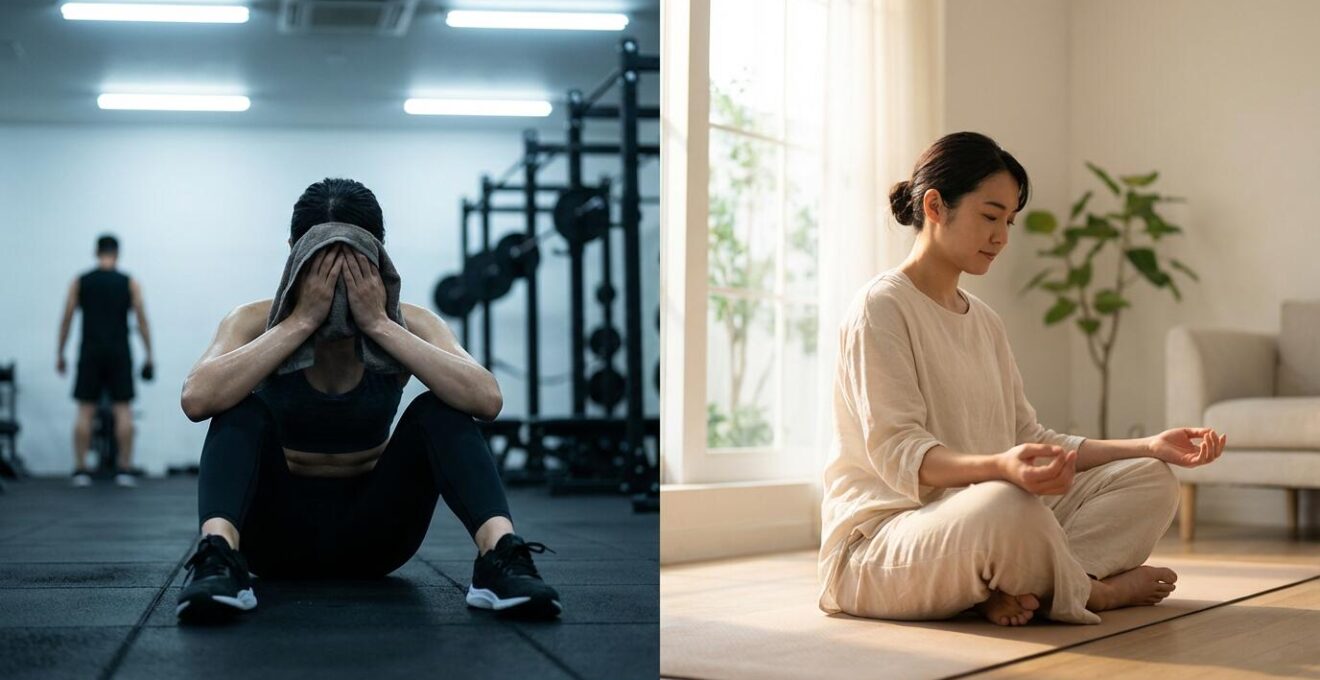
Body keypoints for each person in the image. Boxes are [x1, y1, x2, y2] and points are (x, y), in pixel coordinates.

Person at [818, 132, 1227, 627]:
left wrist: (1148, 446)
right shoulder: (880, 308)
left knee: (1152, 480)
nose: (1002, 237)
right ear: (934, 206)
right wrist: (1001, 469)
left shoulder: (985, 321)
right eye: (990, 216)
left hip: (979, 522)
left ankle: (1015, 587)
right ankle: (1091, 593)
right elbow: (901, 453)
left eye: (1009, 222)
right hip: (883, 546)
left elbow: (1031, 439)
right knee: (1009, 504)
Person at [174, 178, 560, 622]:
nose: (337, 277)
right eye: (322, 260)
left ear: (379, 255)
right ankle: (218, 559)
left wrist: (378, 324)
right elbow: (197, 398)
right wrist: (300, 322)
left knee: (439, 407)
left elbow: (486, 399)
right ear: (293, 253)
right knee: (236, 404)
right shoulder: (252, 321)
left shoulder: (410, 323)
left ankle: (501, 557)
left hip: (378, 537)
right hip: (273, 537)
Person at [57, 234, 154, 488]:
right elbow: (142, 318)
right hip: (119, 352)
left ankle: (80, 470)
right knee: (123, 410)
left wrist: (60, 353)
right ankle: (124, 470)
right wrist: (149, 353)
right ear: (117, 253)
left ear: (96, 252)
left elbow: (66, 317)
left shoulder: (81, 282)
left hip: (90, 352)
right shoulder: (129, 282)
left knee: (85, 410)